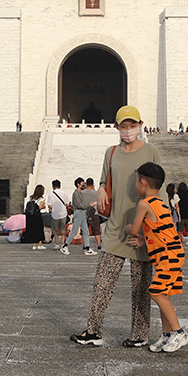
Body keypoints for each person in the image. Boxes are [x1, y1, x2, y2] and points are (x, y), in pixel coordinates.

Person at [70, 105, 159, 348]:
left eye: (133, 126)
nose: (129, 131)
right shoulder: (111, 153)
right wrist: (99, 188)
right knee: (102, 282)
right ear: (116, 127)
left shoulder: (152, 151)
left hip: (141, 230)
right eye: (124, 126)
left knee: (141, 287)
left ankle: (140, 335)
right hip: (115, 228)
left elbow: (156, 193)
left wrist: (148, 234)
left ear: (141, 125)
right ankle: (93, 331)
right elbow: (103, 181)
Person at [124, 162, 188, 353]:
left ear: (142, 182)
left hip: (167, 256)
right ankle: (167, 335)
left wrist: (128, 228)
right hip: (172, 253)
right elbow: (162, 230)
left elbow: (134, 229)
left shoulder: (144, 204)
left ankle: (179, 332)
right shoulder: (161, 202)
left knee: (156, 292)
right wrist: (145, 241)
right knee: (164, 295)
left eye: (136, 181)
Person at [62, 177, 98, 256]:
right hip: (79, 213)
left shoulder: (80, 193)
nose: (84, 184)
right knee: (74, 231)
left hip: (82, 213)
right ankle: (65, 246)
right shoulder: (76, 193)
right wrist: (89, 205)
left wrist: (88, 204)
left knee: (86, 231)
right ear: (78, 184)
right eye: (82, 183)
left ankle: (87, 248)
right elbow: (80, 205)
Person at [22, 185, 47, 250]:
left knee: (32, 229)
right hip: (37, 215)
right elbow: (40, 207)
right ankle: (40, 244)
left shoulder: (31, 197)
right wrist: (44, 206)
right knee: (39, 229)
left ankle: (34, 245)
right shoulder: (42, 198)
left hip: (30, 215)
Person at [48, 179, 70, 249]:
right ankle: (63, 243)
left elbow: (50, 206)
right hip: (63, 214)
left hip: (55, 215)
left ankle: (57, 244)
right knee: (63, 229)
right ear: (60, 186)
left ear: (52, 186)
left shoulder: (51, 194)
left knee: (55, 230)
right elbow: (68, 204)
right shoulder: (64, 193)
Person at [83, 178, 102, 251]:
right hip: (95, 213)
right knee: (96, 230)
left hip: (85, 213)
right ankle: (99, 246)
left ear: (86, 184)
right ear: (93, 184)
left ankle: (85, 246)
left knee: (84, 230)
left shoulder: (82, 193)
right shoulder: (96, 193)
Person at [175, 182, 188, 250]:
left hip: (180, 216)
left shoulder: (177, 195)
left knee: (179, 231)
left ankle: (179, 246)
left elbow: (177, 205)